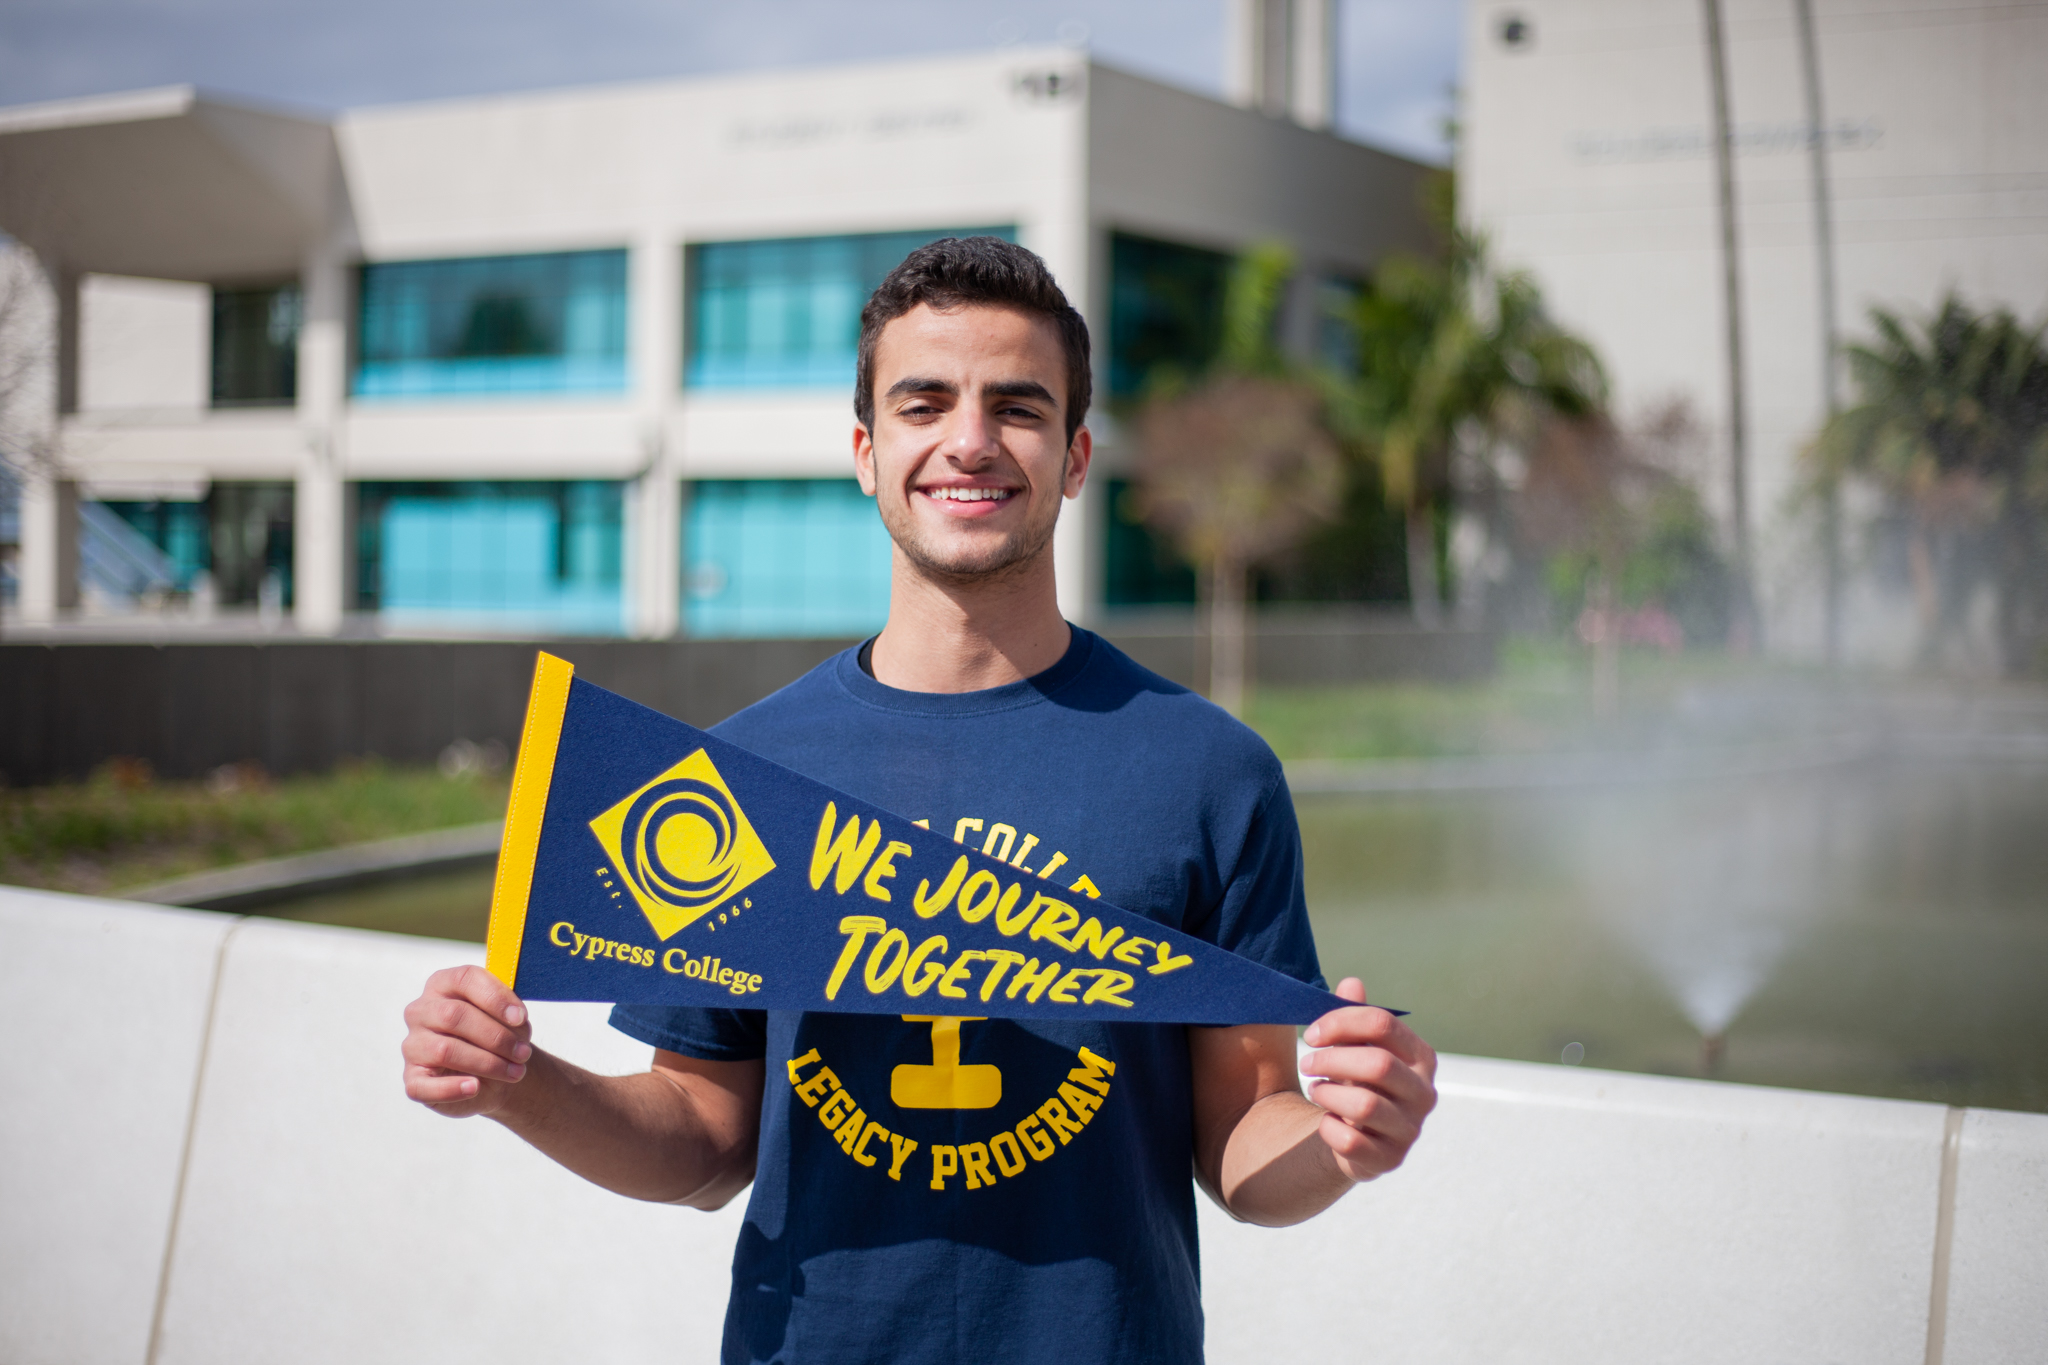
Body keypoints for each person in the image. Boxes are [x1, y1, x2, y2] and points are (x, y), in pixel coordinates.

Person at [401, 236, 1437, 1364]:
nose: (969, 440)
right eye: (924, 402)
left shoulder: (1209, 772)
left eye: (1017, 406)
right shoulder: (739, 775)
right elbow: (702, 1137)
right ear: (865, 450)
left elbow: (1240, 1133)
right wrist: (519, 1084)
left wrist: (1343, 1142)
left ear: (1076, 456)